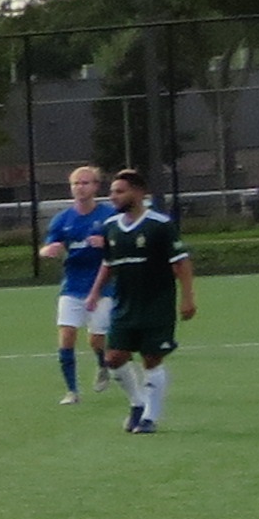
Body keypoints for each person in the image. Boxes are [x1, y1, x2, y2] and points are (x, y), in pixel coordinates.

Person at [96, 167, 196, 435]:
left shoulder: (159, 225)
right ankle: (137, 403)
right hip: (123, 305)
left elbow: (181, 263)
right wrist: (95, 293)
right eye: (112, 192)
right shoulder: (110, 227)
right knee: (114, 358)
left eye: (119, 191)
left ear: (138, 192)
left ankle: (150, 417)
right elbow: (108, 264)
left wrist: (188, 298)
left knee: (151, 359)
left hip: (156, 304)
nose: (113, 197)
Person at [36, 165, 115, 401]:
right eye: (76, 184)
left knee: (96, 338)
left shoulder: (109, 215)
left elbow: (123, 243)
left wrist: (107, 244)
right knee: (67, 335)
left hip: (103, 286)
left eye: (85, 183)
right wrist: (49, 250)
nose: (80, 188)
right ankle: (72, 391)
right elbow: (48, 246)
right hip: (72, 286)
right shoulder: (63, 219)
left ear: (96, 187)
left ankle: (102, 364)